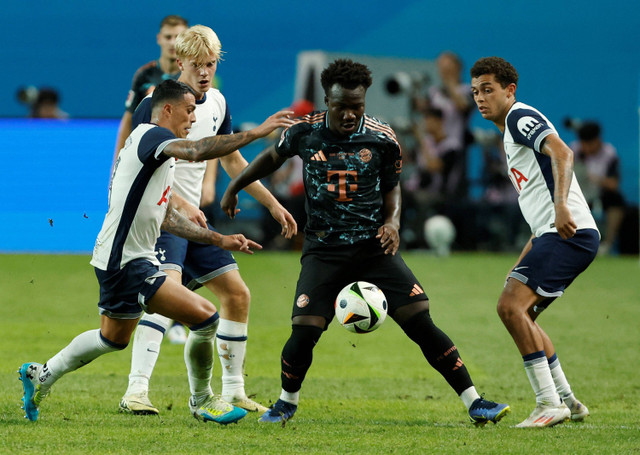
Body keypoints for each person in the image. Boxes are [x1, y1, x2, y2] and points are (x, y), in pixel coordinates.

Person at [221, 59, 510, 426]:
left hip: (373, 248)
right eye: (341, 106)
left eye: (357, 107)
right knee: (305, 329)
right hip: (324, 249)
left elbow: (392, 188)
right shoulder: (303, 132)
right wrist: (234, 186)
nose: (349, 115)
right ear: (327, 99)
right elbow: (270, 159)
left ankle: (475, 401)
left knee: (420, 321)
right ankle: (285, 403)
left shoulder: (383, 138)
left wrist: (393, 222)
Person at [18, 79, 294, 423]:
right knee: (206, 317)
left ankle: (41, 375)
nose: (193, 118)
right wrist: (255, 134)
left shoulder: (158, 152)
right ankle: (203, 400)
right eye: (189, 110)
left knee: (112, 338)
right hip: (127, 262)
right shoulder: (153, 137)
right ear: (167, 109)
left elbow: (165, 217)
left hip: (122, 258)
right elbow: (197, 151)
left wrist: (217, 240)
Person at [118, 25, 298, 416]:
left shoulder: (216, 101)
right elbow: (140, 162)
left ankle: (233, 390)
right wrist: (181, 202)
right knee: (167, 299)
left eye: (211, 64)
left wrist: (270, 203)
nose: (204, 72)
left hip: (197, 221)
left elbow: (232, 159)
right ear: (180, 61)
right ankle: (136, 391)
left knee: (237, 295)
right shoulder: (158, 102)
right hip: (165, 218)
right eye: (197, 64)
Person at [470, 57, 600, 428]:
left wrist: (561, 206)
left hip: (568, 233)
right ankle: (568, 401)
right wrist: (527, 250)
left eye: (488, 89)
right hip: (557, 234)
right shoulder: (508, 132)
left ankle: (547, 403)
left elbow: (562, 151)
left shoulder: (517, 117)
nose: (480, 97)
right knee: (522, 312)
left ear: (510, 90)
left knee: (510, 306)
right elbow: (540, 207)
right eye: (476, 91)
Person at [113, 15, 188, 158]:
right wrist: (117, 164)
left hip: (182, 156)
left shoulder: (192, 76)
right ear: (159, 38)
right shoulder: (144, 74)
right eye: (168, 37)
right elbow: (128, 120)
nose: (172, 43)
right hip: (149, 154)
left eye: (177, 37)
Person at [570, 121, 626, 255]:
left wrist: (595, 178)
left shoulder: (609, 153)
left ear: (597, 140)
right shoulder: (573, 150)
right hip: (578, 194)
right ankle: (572, 245)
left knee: (616, 200)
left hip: (600, 193)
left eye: (589, 144)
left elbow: (614, 184)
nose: (586, 148)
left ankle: (607, 244)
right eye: (583, 144)